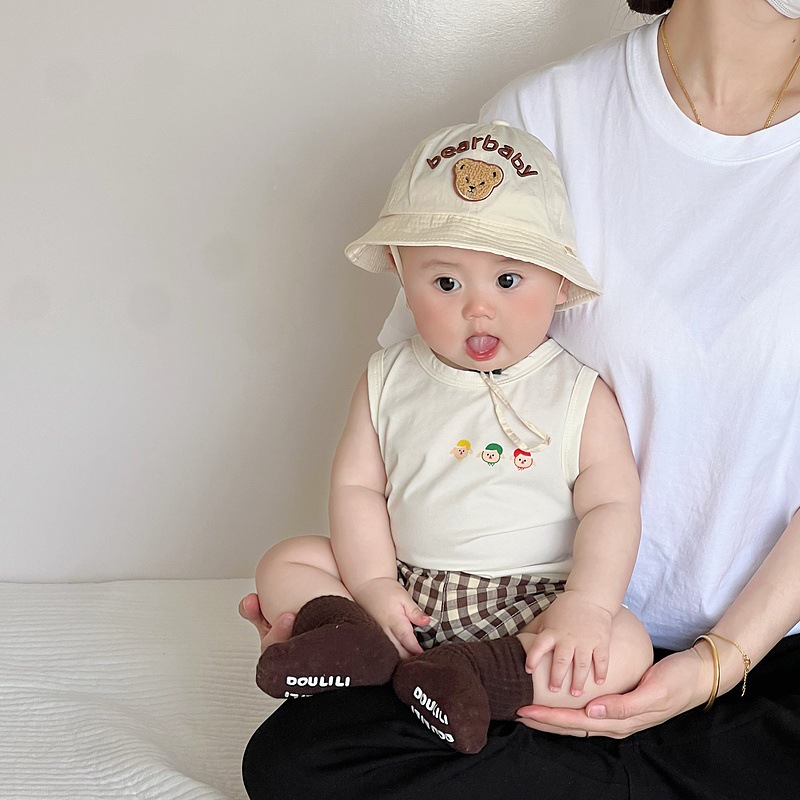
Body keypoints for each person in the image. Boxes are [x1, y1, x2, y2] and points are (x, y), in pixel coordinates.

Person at [241, 0, 800, 796]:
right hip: (508, 631)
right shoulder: (533, 124)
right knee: (298, 763)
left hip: (752, 651)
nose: (481, 302)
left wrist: (717, 664)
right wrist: (356, 599)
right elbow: (420, 397)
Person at [249, 120, 653, 755]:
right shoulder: (387, 378)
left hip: (531, 603)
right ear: (400, 272)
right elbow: (357, 490)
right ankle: (356, 642)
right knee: (287, 561)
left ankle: (473, 679)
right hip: (407, 594)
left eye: (509, 280)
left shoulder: (578, 392)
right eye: (445, 283)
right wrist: (375, 586)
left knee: (627, 647)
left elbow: (612, 506)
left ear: (559, 282)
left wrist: (588, 605)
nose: (477, 308)